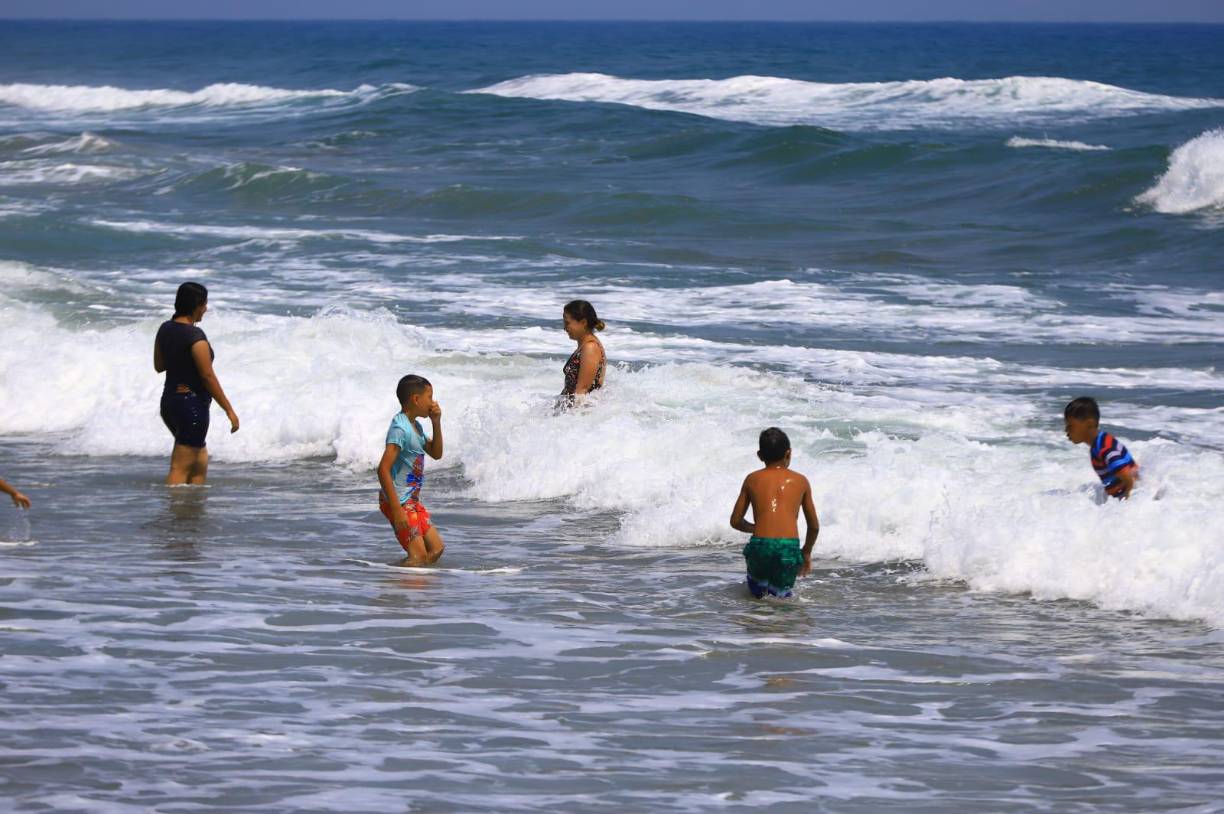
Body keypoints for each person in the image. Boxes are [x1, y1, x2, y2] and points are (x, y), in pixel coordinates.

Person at [153, 282, 239, 485]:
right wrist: (229, 411)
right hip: (190, 407)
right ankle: (172, 512)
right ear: (197, 305)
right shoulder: (196, 337)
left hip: (170, 403)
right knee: (181, 467)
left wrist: (181, 365)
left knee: (199, 461)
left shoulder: (165, 329)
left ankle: (192, 511)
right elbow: (207, 377)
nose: (206, 309)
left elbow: (159, 365)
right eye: (205, 304)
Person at [729, 428, 820, 598]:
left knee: (757, 596)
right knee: (781, 597)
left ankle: (757, 622)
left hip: (760, 545)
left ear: (760, 455)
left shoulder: (752, 479)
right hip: (788, 547)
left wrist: (756, 528)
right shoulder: (801, 481)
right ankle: (780, 622)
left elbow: (735, 521)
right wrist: (806, 552)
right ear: (789, 453)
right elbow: (814, 526)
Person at [377, 374, 445, 565]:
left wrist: (436, 422)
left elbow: (436, 453)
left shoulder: (416, 427)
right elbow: (383, 469)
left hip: (412, 502)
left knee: (436, 549)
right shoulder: (400, 428)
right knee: (419, 556)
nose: (433, 402)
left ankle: (406, 577)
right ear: (416, 399)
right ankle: (402, 587)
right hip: (398, 502)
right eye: (429, 397)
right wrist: (397, 510)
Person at [1064, 396, 1139, 499]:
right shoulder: (1100, 443)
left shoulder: (1105, 449)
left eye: (1070, 426)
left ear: (1089, 424)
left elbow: (1129, 479)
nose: (1066, 430)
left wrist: (1127, 501)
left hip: (1135, 497)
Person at [559, 299, 606, 404]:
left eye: (567, 323)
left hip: (579, 413)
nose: (564, 328)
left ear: (583, 322)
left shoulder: (590, 348)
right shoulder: (585, 346)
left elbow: (582, 391)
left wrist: (570, 418)